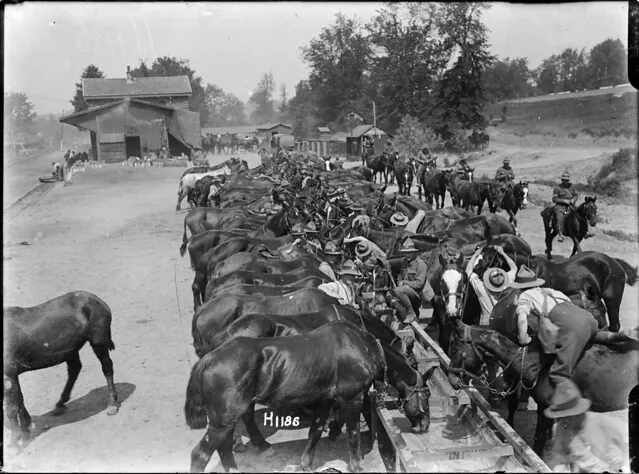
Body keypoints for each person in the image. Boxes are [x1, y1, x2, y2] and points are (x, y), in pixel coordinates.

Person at [511, 265, 598, 419]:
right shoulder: (553, 292)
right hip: (589, 320)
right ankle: (615, 336)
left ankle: (569, 400)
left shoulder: (526, 296)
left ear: (521, 287)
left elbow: (522, 318)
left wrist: (523, 337)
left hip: (571, 326)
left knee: (558, 372)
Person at [465, 245, 518, 325]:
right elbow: (514, 268)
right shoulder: (508, 283)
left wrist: (475, 254)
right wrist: (503, 253)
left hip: (486, 326)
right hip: (503, 324)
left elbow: (468, 271)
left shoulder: (481, 287)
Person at [393, 238, 428, 325]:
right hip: (406, 291)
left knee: (398, 290)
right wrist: (401, 284)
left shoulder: (421, 264)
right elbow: (399, 278)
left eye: (409, 252)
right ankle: (410, 314)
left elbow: (419, 284)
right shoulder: (404, 263)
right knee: (395, 291)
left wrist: (405, 284)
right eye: (405, 252)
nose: (407, 255)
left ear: (414, 252)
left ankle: (411, 313)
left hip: (417, 294)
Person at [552, 171, 578, 242]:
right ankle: (560, 234)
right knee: (559, 217)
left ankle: (586, 230)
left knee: (581, 213)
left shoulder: (572, 187)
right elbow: (554, 199)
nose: (566, 181)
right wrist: (563, 201)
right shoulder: (557, 188)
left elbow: (576, 195)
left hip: (571, 205)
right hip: (561, 206)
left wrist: (573, 199)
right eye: (565, 180)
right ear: (562, 180)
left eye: (567, 180)